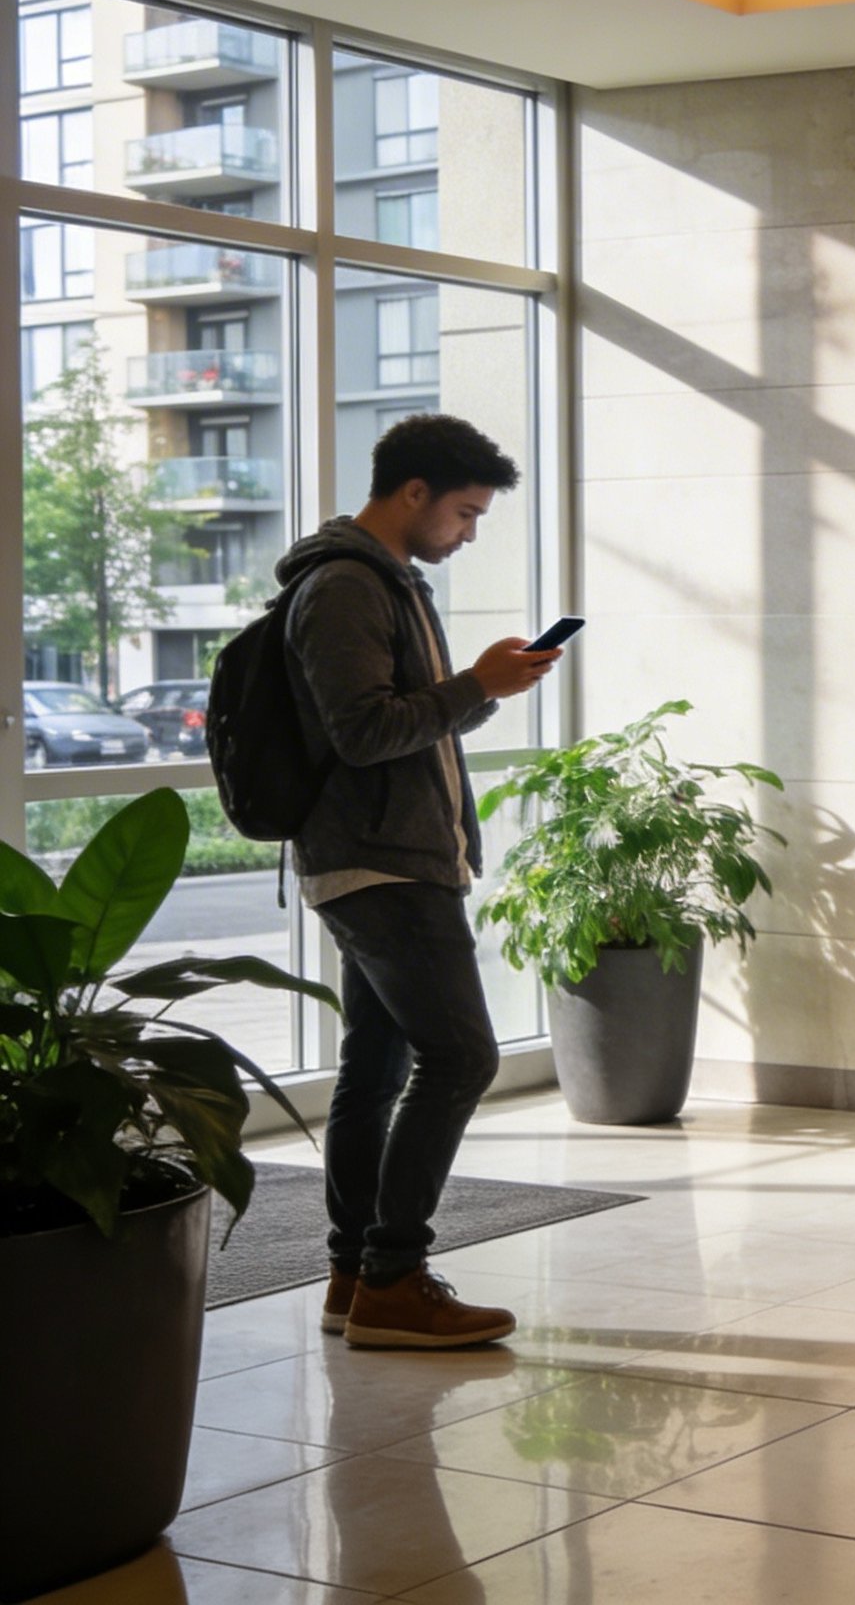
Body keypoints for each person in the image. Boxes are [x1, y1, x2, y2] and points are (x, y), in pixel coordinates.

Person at [278, 414, 561, 1347]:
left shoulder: (391, 582)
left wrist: (488, 686)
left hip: (392, 855)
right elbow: (363, 734)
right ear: (413, 494)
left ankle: (355, 1277)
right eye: (465, 513)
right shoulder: (345, 587)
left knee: (377, 1066)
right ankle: (394, 1279)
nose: (469, 534)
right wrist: (474, 684)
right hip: (380, 863)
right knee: (463, 1058)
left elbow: (408, 723)